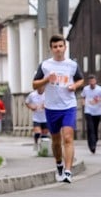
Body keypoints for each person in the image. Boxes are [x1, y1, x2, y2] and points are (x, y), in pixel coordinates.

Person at [32, 35, 84, 183]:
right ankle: (59, 165)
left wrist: (75, 86)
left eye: (60, 46)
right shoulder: (45, 65)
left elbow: (80, 79)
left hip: (69, 106)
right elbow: (34, 85)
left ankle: (68, 172)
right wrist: (47, 79)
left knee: (68, 138)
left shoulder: (72, 65)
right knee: (56, 141)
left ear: (65, 47)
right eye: (55, 47)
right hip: (51, 107)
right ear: (51, 49)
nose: (58, 49)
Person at [80, 75, 101, 154]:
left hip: (97, 112)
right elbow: (82, 96)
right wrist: (83, 102)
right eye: (90, 82)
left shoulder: (99, 89)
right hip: (88, 111)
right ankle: (92, 145)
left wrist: (99, 99)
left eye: (93, 82)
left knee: (95, 129)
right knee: (90, 128)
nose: (92, 83)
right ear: (89, 82)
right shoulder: (86, 89)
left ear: (95, 81)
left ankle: (95, 140)